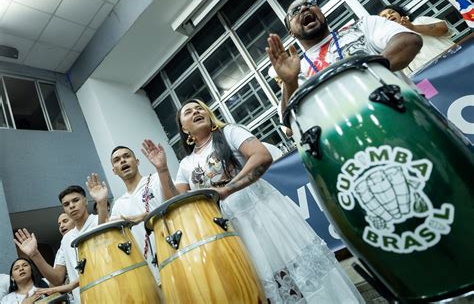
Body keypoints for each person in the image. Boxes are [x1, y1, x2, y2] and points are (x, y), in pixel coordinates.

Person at [141, 99, 364, 303]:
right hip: (229, 232)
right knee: (269, 286)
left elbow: (261, 156)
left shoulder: (230, 132)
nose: (196, 111)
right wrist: (162, 169)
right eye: (188, 112)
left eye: (199, 108)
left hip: (262, 215)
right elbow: (176, 204)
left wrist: (228, 188)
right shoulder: (186, 164)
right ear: (184, 130)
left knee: (303, 276)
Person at [266, 0, 423, 131]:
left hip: (407, 117)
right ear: (291, 32)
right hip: (351, 144)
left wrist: (357, 80)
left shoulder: (362, 26)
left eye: (310, 3)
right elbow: (290, 124)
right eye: (295, 11)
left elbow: (409, 41)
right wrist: (289, 82)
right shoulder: (297, 69)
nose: (303, 8)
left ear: (321, 13)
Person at [14, 174, 109, 303]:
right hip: (84, 300)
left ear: (86, 201)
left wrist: (102, 203)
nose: (71, 205)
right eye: (66, 204)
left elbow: (105, 235)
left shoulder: (99, 220)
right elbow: (57, 278)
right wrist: (35, 254)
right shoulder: (66, 239)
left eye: (76, 200)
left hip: (111, 291)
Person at [109, 146, 164, 283]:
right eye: (117, 160)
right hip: (148, 277)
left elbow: (176, 205)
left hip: (174, 257)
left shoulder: (157, 180)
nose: (122, 161)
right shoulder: (118, 206)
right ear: (114, 171)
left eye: (127, 156)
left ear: (137, 161)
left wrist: (144, 217)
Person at [378, 4, 456, 74]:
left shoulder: (420, 21)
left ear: (400, 14)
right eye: (384, 17)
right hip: (429, 77)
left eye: (392, 12)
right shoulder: (390, 43)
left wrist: (413, 27)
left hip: (452, 61)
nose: (389, 15)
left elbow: (443, 29)